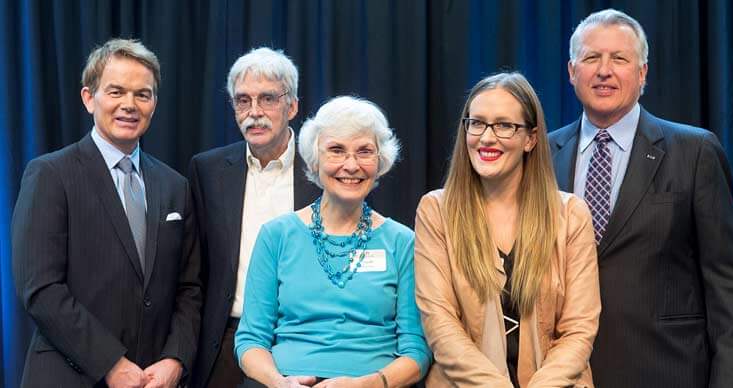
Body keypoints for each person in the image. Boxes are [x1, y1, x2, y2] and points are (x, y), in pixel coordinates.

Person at [548, 9, 733, 388]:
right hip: (565, 377)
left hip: (667, 373)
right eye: (591, 58)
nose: (604, 70)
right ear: (572, 71)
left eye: (619, 59)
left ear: (642, 74)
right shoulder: (542, 156)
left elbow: (729, 295)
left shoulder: (695, 152)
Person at [11, 38, 201, 387]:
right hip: (70, 376)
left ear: (154, 103)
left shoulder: (175, 186)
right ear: (89, 98)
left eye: (142, 94)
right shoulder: (50, 175)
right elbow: (40, 289)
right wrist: (110, 363)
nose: (129, 105)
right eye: (116, 92)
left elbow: (189, 288)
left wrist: (175, 358)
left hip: (153, 380)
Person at [414, 72, 600, 387]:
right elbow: (440, 324)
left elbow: (578, 330)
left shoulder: (570, 214)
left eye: (504, 125)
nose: (487, 137)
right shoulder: (436, 211)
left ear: (531, 138)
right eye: (477, 123)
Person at [234, 96, 431, 388]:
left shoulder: (402, 242)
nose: (351, 165)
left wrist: (366, 385)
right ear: (315, 159)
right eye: (336, 150)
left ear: (380, 161)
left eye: (364, 151)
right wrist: (280, 383)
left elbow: (417, 350)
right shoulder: (276, 235)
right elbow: (251, 340)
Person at [188, 47, 319, 388]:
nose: (254, 112)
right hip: (226, 342)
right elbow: (195, 268)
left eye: (267, 99)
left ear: (292, 106)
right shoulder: (208, 170)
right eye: (243, 100)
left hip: (300, 339)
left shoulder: (322, 170)